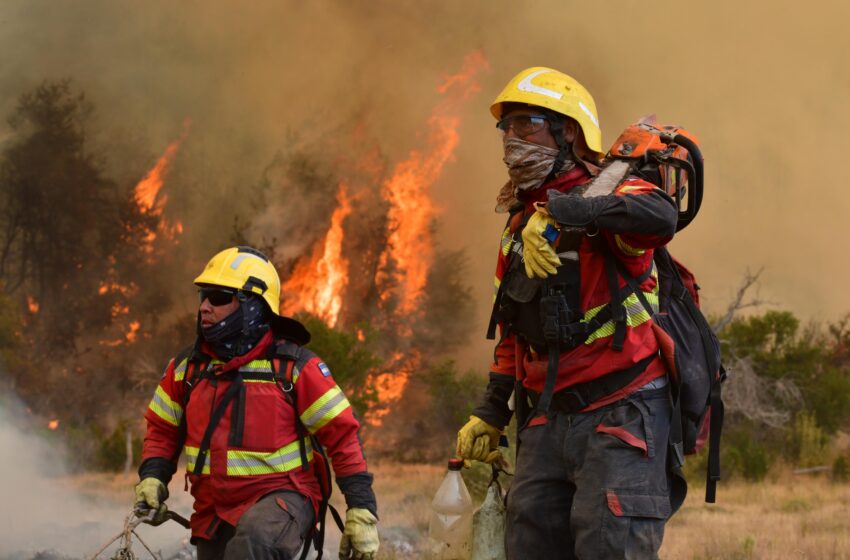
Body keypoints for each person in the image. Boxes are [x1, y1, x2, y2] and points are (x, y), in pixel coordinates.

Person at [456, 67, 680, 558]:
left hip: (621, 413)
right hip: (546, 417)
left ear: (568, 133)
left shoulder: (611, 196)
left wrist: (565, 213)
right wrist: (492, 412)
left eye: (526, 124)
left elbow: (661, 216)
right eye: (506, 128)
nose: (512, 141)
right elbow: (513, 331)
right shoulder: (518, 224)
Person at [134, 246, 379, 560]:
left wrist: (361, 510)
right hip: (214, 511)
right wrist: (153, 476)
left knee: (254, 543)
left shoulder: (294, 369)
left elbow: (342, 436)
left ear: (254, 306)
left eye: (219, 296)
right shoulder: (187, 369)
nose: (205, 307)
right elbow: (162, 429)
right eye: (203, 296)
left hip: (283, 501)